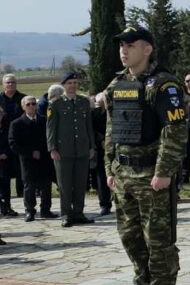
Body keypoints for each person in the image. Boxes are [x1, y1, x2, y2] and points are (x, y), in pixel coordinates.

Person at [104, 25, 188, 285]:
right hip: (123, 176)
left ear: (147, 49)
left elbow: (175, 130)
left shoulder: (164, 85)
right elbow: (112, 129)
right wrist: (109, 168)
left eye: (131, 45)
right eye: (121, 45)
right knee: (131, 238)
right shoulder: (117, 84)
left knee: (158, 240)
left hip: (151, 176)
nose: (124, 50)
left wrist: (163, 171)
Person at [47, 72, 95, 227]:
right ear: (63, 85)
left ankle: (79, 213)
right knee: (65, 185)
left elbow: (88, 126)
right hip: (63, 151)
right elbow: (51, 128)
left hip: (82, 149)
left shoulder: (83, 102)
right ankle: (66, 214)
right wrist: (52, 148)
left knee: (81, 184)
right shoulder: (55, 103)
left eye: (75, 83)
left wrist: (91, 146)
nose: (73, 86)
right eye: (69, 83)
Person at [9, 95, 55, 222]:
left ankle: (46, 210)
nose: (31, 106)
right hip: (28, 161)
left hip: (44, 159)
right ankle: (29, 211)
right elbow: (13, 143)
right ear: (23, 107)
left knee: (46, 185)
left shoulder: (44, 120)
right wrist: (30, 153)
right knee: (29, 187)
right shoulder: (16, 123)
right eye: (28, 104)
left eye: (33, 103)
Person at [0, 73, 28, 216]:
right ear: (3, 84)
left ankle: (28, 206)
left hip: (19, 141)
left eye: (13, 82)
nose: (10, 84)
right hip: (2, 141)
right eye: (8, 82)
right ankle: (5, 206)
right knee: (3, 178)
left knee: (23, 175)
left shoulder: (23, 99)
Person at [91, 93, 113, 216]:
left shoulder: (114, 111)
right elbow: (91, 129)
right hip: (100, 148)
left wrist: (109, 140)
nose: (100, 104)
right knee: (101, 176)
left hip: (114, 146)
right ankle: (104, 204)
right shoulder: (94, 114)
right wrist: (101, 140)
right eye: (98, 102)